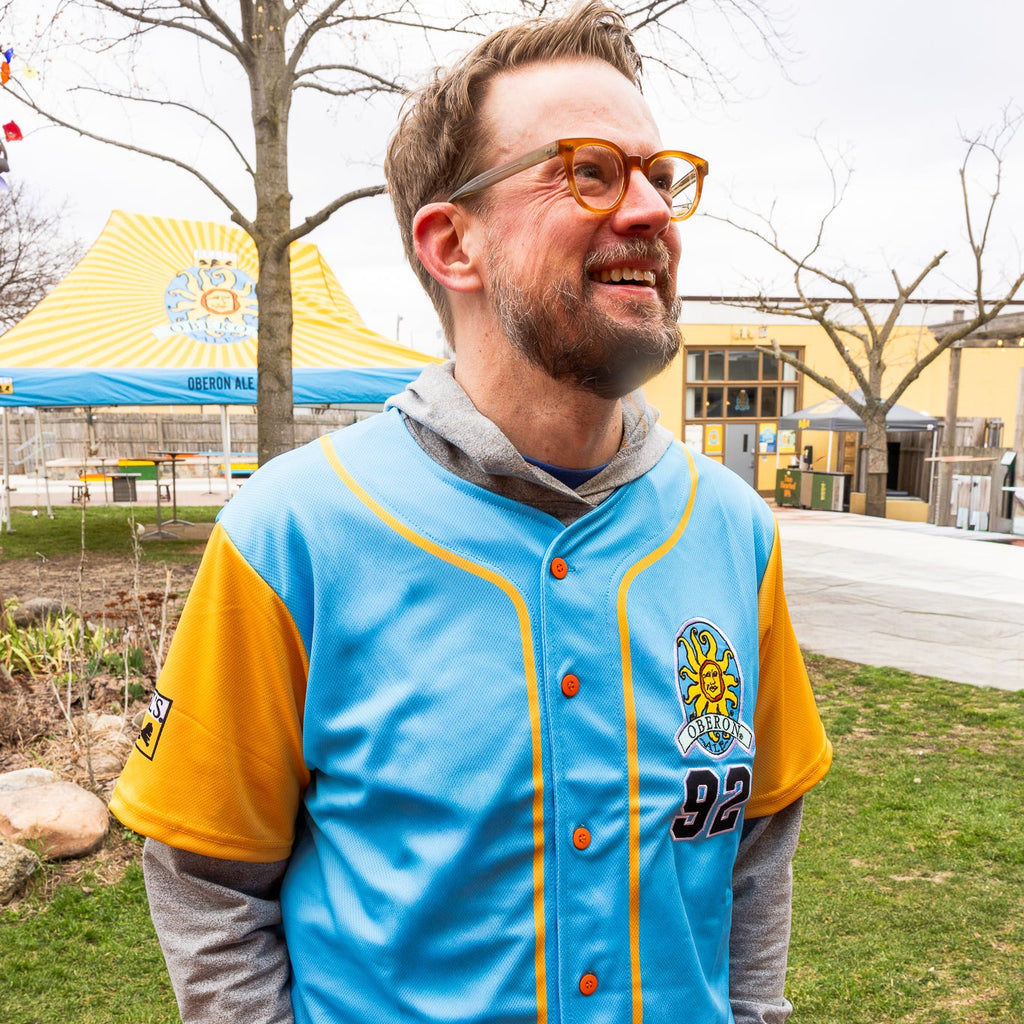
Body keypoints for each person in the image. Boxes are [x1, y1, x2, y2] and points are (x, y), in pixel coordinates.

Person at [110, 3, 832, 1022]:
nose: (650, 211)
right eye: (590, 172)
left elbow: (755, 850)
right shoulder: (292, 534)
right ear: (454, 243)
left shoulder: (732, 529)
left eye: (657, 177)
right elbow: (209, 887)